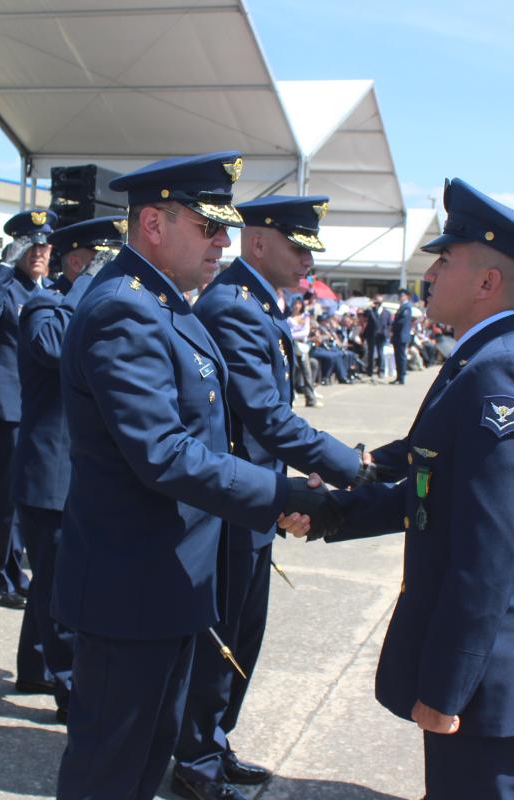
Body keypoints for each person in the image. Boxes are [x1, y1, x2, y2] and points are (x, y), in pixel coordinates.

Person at [290, 177, 514, 800]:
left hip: (488, 671)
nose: (431, 274)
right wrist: (327, 513)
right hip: (483, 663)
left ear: (486, 283)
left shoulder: (502, 373)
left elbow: (488, 551)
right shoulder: (491, 355)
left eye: (445, 261)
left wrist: (449, 685)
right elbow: (435, 494)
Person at [52, 151, 326, 800]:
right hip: (131, 585)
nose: (224, 243)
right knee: (109, 772)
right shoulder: (125, 308)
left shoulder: (167, 305)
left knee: (145, 765)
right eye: (209, 227)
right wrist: (280, 495)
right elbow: (165, 454)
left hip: (169, 580)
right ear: (153, 223)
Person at [173, 195, 368, 800]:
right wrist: (348, 468)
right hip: (232, 504)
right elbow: (266, 415)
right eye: (299, 244)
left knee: (243, 632)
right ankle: (196, 761)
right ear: (260, 244)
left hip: (257, 499)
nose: (307, 257)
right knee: (223, 637)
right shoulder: (235, 306)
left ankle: (215, 743)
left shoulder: (256, 301)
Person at [11, 215, 126, 722]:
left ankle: (35, 666)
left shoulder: (85, 309)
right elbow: (51, 348)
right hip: (48, 474)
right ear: (77, 262)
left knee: (51, 581)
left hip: (70, 472)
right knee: (60, 587)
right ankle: (68, 689)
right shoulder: (44, 305)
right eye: (99, 262)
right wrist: (82, 286)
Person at [0, 209, 55, 610]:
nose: (39, 252)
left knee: (24, 502)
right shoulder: (3, 285)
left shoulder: (44, 289)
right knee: (3, 502)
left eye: (43, 245)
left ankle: (14, 571)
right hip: (5, 407)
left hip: (32, 408)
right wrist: (5, 262)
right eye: (30, 245)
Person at [389, 289, 414, 384]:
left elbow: (401, 322)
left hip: (401, 335)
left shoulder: (406, 307)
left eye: (402, 295)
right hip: (398, 336)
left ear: (406, 296)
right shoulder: (402, 307)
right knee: (398, 357)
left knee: (401, 357)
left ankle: (401, 377)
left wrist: (393, 325)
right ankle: (399, 377)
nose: (400, 297)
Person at [365, 295, 391, 380]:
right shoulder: (371, 311)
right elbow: (365, 315)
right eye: (376, 301)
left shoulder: (386, 312)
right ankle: (370, 371)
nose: (377, 303)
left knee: (381, 353)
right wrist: (370, 306)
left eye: (378, 302)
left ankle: (381, 371)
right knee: (371, 353)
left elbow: (389, 324)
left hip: (381, 335)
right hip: (371, 334)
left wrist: (386, 332)